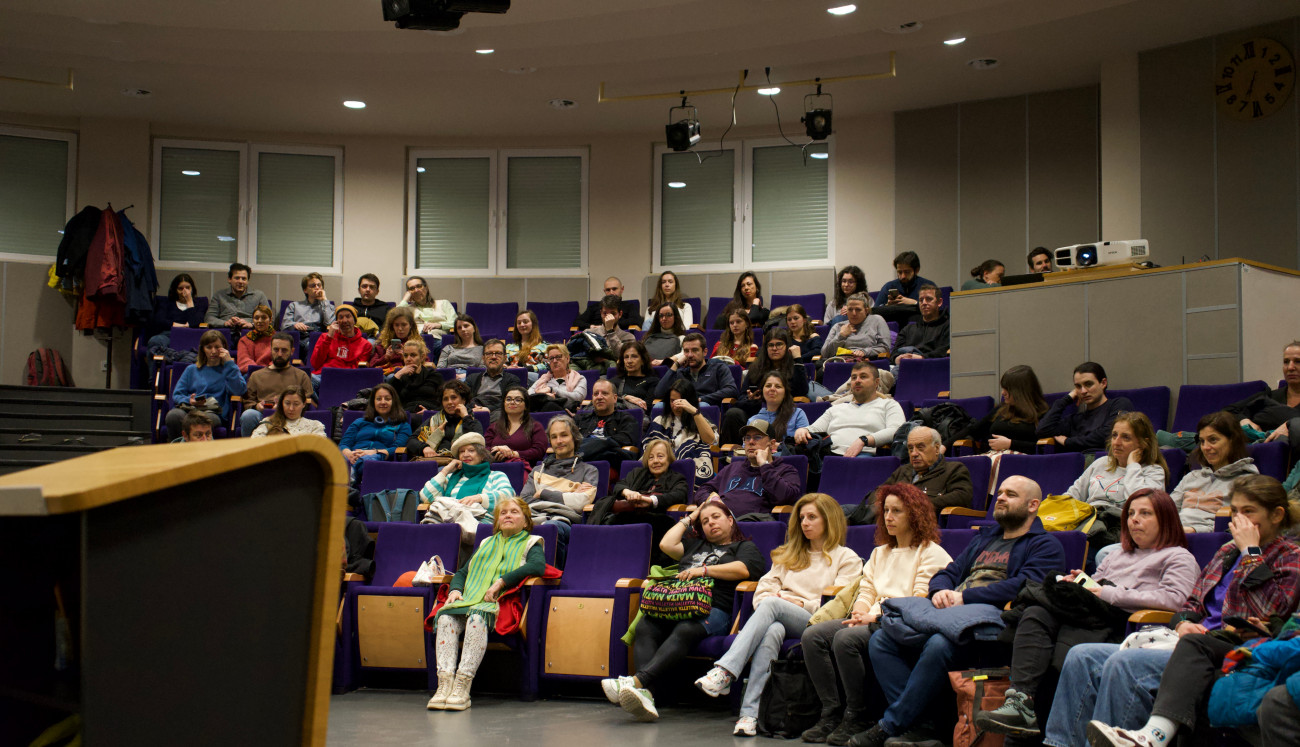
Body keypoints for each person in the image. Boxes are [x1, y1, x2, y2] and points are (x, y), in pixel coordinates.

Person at [1043, 475, 1300, 747]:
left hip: (1233, 647)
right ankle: (1058, 744)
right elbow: (1190, 603)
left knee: (1125, 663)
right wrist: (1182, 623)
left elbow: (1269, 611)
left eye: (1248, 511)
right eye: (1235, 511)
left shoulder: (1290, 556)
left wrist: (1251, 553)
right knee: (1082, 655)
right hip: (1187, 640)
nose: (1239, 520)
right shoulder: (1227, 551)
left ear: (1276, 515)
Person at [855, 476, 1066, 747]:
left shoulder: (1045, 545)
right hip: (952, 614)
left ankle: (891, 725)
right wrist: (940, 591)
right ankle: (922, 725)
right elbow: (949, 572)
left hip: (994, 620)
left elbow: (1026, 586)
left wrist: (965, 597)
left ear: (1033, 505)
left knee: (939, 643)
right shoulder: (984, 539)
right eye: (1000, 492)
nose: (1000, 498)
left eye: (1010, 494)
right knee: (882, 639)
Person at [976, 489, 1198, 741]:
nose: (1134, 519)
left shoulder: (1178, 556)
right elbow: (1095, 585)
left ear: (1166, 519)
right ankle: (1020, 700)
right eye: (1131, 513)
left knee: (1049, 624)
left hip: (1122, 624)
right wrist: (1080, 582)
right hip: (1089, 614)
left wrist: (1107, 592)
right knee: (1037, 610)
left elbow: (1174, 600)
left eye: (1145, 513)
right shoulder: (1118, 554)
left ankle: (1034, 723)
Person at [693, 494, 860, 735]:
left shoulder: (847, 558)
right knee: (772, 629)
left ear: (829, 519)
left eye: (812, 517)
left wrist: (798, 603)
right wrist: (776, 602)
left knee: (772, 605)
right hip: (778, 614)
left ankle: (726, 671)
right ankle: (750, 715)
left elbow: (838, 604)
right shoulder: (790, 554)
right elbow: (764, 589)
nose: (804, 523)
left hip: (818, 622)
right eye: (801, 518)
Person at [801, 484, 952, 745]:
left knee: (845, 639)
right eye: (886, 511)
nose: (889, 517)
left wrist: (872, 618)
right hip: (869, 618)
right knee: (813, 636)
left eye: (897, 511)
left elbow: (920, 601)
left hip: (900, 622)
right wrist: (859, 611)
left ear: (915, 514)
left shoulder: (930, 552)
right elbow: (867, 589)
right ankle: (831, 712)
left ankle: (857, 715)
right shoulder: (880, 552)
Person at [604, 500, 766, 722]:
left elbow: (744, 569)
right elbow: (666, 544)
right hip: (679, 603)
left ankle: (637, 682)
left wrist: (704, 570)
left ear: (730, 520)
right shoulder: (695, 545)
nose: (711, 523)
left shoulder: (743, 547)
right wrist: (693, 516)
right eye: (705, 521)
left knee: (685, 629)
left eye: (716, 517)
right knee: (645, 626)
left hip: (715, 609)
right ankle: (648, 694)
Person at [426, 497, 544, 712]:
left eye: (514, 512)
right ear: (496, 521)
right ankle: (444, 684)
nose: (508, 515)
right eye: (503, 513)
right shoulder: (485, 543)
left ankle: (462, 686)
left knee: (477, 617)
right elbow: (463, 572)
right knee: (445, 617)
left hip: (500, 603)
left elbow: (538, 566)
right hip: (469, 599)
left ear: (526, 521)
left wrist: (502, 581)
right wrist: (455, 590)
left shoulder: (532, 542)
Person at [1062, 412, 1168, 548]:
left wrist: (1132, 466)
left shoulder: (1153, 471)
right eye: (1114, 435)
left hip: (1120, 529)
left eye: (1126, 437)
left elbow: (1140, 504)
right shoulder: (1101, 463)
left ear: (1143, 444)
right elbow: (1072, 496)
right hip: (1089, 523)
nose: (1116, 442)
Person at [588, 439, 685, 552]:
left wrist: (650, 500)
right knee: (609, 521)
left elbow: (679, 495)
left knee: (662, 524)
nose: (655, 461)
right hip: (628, 515)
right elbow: (619, 485)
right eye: (651, 457)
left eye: (660, 456)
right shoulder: (637, 473)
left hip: (656, 517)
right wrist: (628, 492)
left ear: (669, 458)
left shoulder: (677, 478)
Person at [1171, 411, 1258, 532]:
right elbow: (1166, 511)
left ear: (1232, 440)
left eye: (1213, 440)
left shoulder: (1246, 480)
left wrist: (1194, 531)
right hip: (1175, 534)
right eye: (1202, 441)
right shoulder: (1191, 477)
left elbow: (1239, 525)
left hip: (1210, 538)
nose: (1205, 447)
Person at [417, 433, 517, 539]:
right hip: (447, 524)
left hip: (479, 528)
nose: (465, 455)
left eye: (471, 450)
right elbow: (425, 496)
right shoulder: (451, 477)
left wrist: (479, 498)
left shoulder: (496, 476)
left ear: (482, 455)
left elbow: (508, 496)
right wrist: (445, 470)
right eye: (462, 451)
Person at [693, 418, 801, 515]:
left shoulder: (785, 470)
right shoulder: (732, 468)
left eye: (757, 437)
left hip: (753, 525)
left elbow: (786, 498)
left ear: (772, 444)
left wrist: (764, 465)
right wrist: (712, 501)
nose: (751, 442)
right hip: (721, 522)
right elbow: (702, 490)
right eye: (747, 438)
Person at [796, 362, 904, 457]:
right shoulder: (835, 408)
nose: (857, 381)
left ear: (876, 382)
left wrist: (864, 440)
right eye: (854, 377)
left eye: (863, 377)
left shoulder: (889, 405)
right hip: (828, 454)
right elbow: (814, 428)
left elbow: (896, 430)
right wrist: (803, 430)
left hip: (863, 455)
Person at [520, 416, 599, 543]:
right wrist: (569, 494)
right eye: (554, 437)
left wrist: (542, 493)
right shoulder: (537, 471)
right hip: (533, 518)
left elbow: (581, 502)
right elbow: (524, 501)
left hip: (565, 522)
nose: (559, 441)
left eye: (564, 435)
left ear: (574, 437)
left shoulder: (589, 471)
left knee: (550, 528)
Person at [722, 329, 810, 443]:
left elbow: (802, 391)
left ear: (787, 346)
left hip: (784, 412)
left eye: (779, 344)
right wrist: (750, 399)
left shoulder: (794, 368)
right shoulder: (756, 369)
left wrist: (797, 359)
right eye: (771, 345)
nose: (774, 348)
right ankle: (734, 450)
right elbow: (741, 398)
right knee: (733, 414)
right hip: (755, 412)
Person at [164, 330, 246, 441]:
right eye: (209, 347)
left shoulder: (229, 369)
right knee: (173, 416)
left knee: (204, 420)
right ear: (203, 349)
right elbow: (177, 394)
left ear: (224, 348)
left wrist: (229, 363)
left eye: (217, 347)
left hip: (213, 412)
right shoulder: (191, 369)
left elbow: (239, 390)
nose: (213, 351)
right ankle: (178, 448)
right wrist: (189, 400)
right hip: (190, 409)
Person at [876, 426, 974, 516]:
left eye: (920, 447)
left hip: (927, 524)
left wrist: (916, 505)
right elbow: (878, 493)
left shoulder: (954, 470)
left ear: (936, 449)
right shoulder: (902, 471)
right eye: (910, 448)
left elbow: (962, 497)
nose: (914, 453)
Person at [950, 365, 1049, 454]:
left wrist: (1010, 444)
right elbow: (973, 430)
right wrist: (944, 446)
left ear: (1021, 391)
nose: (1003, 393)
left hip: (1020, 459)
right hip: (991, 456)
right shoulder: (1002, 409)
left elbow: (1042, 447)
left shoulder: (1042, 413)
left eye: (1008, 389)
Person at [1037, 362, 1134, 452]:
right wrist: (1067, 399)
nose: (1083, 391)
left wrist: (1069, 442)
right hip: (1079, 463)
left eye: (1088, 384)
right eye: (1078, 386)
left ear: (1103, 383)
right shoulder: (1075, 420)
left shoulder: (1119, 404)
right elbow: (1042, 430)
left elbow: (1109, 434)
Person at [241, 332, 316, 435]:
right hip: (263, 416)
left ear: (292, 351)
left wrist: (284, 407)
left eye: (284, 350)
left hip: (290, 416)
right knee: (248, 415)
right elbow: (248, 401)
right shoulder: (256, 375)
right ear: (270, 350)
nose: (280, 354)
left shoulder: (301, 376)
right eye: (276, 350)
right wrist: (257, 407)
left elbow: (305, 402)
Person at [338, 383, 411, 486]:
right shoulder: (359, 422)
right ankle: (350, 481)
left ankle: (348, 481)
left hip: (378, 457)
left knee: (368, 460)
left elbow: (397, 448)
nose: (383, 402)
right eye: (378, 399)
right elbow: (344, 444)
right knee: (339, 459)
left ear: (394, 402)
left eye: (387, 399)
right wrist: (350, 454)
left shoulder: (403, 425)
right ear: (373, 402)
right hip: (353, 456)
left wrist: (373, 452)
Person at [1226, 340, 1300, 441]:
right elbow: (1228, 411)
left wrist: (1291, 426)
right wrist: (1243, 420)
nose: (1290, 367)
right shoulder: (1269, 396)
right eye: (1286, 362)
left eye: (1298, 361)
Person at [644, 379, 716, 480]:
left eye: (681, 402)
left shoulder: (700, 420)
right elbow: (648, 448)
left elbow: (710, 440)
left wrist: (694, 411)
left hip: (687, 468)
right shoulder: (659, 421)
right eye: (672, 401)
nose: (676, 406)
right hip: (659, 468)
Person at [653, 332, 739, 406]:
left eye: (694, 350)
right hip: (681, 410)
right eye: (686, 351)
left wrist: (701, 399)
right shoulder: (680, 372)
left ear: (705, 352)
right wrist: (676, 365)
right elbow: (659, 394)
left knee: (702, 405)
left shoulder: (718, 368)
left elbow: (731, 390)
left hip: (706, 409)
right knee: (659, 406)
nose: (690, 355)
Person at [408, 380, 484, 459]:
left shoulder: (471, 421)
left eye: (453, 397)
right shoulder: (435, 420)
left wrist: (465, 417)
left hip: (463, 462)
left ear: (463, 400)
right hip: (436, 461)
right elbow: (411, 441)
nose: (449, 402)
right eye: (445, 399)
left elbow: (478, 441)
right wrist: (424, 448)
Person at [576, 378, 639, 466]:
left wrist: (601, 442)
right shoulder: (581, 418)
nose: (599, 397)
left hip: (606, 463)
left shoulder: (626, 419)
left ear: (615, 398)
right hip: (579, 464)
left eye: (604, 393)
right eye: (596, 394)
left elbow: (625, 440)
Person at [308, 304, 373, 383]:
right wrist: (329, 338)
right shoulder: (325, 337)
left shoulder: (365, 345)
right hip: (323, 376)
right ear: (337, 321)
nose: (344, 320)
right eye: (341, 317)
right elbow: (315, 364)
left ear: (354, 320)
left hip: (347, 379)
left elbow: (357, 370)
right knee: (306, 379)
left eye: (348, 316)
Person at [484, 385, 547, 466]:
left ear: (526, 405)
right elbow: (484, 449)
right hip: (495, 469)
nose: (512, 402)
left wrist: (513, 454)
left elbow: (539, 451)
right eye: (508, 399)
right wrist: (498, 450)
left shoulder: (535, 427)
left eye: (518, 400)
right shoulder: (494, 427)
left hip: (524, 469)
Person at [822, 293, 890, 361]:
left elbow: (885, 347)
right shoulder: (838, 326)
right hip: (842, 362)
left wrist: (864, 352)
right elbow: (825, 353)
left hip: (868, 361)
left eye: (858, 310)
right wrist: (841, 336)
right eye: (850, 309)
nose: (854, 313)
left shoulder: (876, 320)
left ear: (866, 311)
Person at [873, 251, 936, 324]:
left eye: (907, 272)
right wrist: (888, 306)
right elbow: (874, 313)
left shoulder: (928, 286)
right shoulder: (889, 286)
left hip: (919, 326)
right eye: (899, 272)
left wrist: (914, 303)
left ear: (916, 270)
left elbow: (936, 310)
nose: (903, 276)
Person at [283, 271, 335, 359]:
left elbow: (330, 323)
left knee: (311, 345)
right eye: (313, 285)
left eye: (319, 285)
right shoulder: (294, 306)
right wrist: (295, 324)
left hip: (317, 337)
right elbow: (284, 325)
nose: (317, 288)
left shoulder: (328, 306)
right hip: (298, 337)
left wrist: (324, 300)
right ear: (305, 290)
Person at [890, 284, 949, 362]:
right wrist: (897, 358)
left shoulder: (948, 326)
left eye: (929, 299)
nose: (924, 303)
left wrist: (922, 358)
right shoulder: (908, 329)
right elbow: (894, 352)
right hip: (905, 365)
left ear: (939, 302)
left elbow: (944, 351)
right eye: (921, 300)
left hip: (932, 365)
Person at [204, 262, 269, 329]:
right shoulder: (219, 295)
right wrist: (225, 323)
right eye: (237, 278)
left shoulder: (259, 295)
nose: (240, 281)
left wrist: (252, 324)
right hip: (225, 330)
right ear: (229, 279)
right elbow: (209, 318)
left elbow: (269, 319)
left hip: (250, 331)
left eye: (244, 279)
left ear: (248, 281)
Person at [464, 339, 522, 413]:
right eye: (489, 353)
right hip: (475, 410)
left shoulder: (512, 379)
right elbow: (464, 399)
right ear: (483, 358)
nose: (493, 357)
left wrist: (488, 409)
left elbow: (511, 402)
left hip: (500, 413)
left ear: (505, 358)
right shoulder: (472, 378)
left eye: (498, 353)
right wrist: (475, 409)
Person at [145, 272, 202, 346]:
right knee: (155, 341)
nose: (184, 292)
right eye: (180, 289)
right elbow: (160, 321)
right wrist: (182, 326)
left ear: (192, 289)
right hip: (169, 334)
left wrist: (189, 302)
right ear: (175, 290)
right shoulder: (166, 303)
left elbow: (196, 322)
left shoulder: (199, 304)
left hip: (190, 336)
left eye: (188, 288)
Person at [389, 338, 444, 412]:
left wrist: (430, 412)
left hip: (428, 413)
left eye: (413, 355)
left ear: (422, 357)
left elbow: (443, 401)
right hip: (407, 413)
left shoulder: (434, 376)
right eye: (405, 355)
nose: (408, 359)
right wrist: (399, 373)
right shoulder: (400, 377)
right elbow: (387, 396)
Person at [527, 344, 587, 412]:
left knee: (550, 405)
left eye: (558, 357)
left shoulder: (579, 379)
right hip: (541, 412)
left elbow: (578, 398)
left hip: (566, 414)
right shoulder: (543, 379)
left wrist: (552, 390)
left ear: (567, 359)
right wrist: (546, 396)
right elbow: (527, 397)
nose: (555, 361)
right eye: (551, 358)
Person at [250, 387, 326, 438]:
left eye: (296, 404)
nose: (291, 408)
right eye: (287, 403)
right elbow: (254, 445)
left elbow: (319, 451)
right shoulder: (268, 422)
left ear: (304, 404)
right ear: (282, 403)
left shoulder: (315, 426)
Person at [574, 276, 638, 330]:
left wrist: (609, 326)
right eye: (608, 290)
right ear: (604, 291)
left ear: (622, 289)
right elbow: (577, 322)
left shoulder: (629, 306)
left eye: (614, 289)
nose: (611, 293)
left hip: (620, 336)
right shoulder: (594, 307)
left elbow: (636, 321)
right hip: (597, 335)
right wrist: (591, 326)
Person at [611, 340, 660, 412]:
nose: (629, 361)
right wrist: (626, 397)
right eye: (626, 357)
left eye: (634, 356)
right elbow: (606, 400)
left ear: (643, 360)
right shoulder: (615, 381)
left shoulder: (652, 381)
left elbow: (647, 407)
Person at [371, 306, 420, 375]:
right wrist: (385, 357)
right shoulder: (383, 343)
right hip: (385, 375)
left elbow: (423, 365)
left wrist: (405, 357)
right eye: (396, 325)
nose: (400, 329)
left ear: (410, 325)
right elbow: (372, 365)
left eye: (404, 325)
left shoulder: (417, 344)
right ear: (392, 326)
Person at [235, 304, 276, 373]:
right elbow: (243, 361)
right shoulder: (244, 340)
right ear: (253, 320)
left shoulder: (278, 339)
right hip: (251, 373)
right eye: (256, 318)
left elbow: (279, 359)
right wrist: (258, 372)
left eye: (264, 318)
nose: (259, 321)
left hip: (272, 372)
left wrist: (267, 371)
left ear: (270, 320)